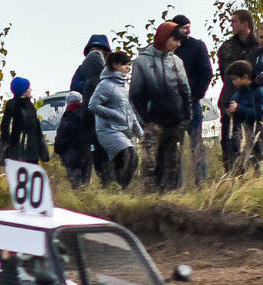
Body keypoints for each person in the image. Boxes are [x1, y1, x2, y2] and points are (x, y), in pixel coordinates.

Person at [130, 22, 191, 191]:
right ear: (165, 38)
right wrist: (146, 119)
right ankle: (147, 196)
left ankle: (169, 197)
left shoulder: (177, 61)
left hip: (176, 121)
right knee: (149, 163)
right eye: (175, 40)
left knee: (173, 164)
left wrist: (187, 116)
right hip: (154, 121)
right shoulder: (142, 61)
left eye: (180, 41)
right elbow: (135, 94)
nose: (178, 44)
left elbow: (185, 90)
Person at [169, 14, 213, 185]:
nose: (188, 31)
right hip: (172, 104)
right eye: (184, 27)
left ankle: (202, 181)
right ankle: (176, 185)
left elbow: (206, 72)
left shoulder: (197, 46)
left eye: (189, 27)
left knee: (196, 141)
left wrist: (197, 94)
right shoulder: (169, 47)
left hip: (191, 101)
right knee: (174, 144)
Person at [216, 11, 262, 168]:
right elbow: (224, 74)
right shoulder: (226, 47)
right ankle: (232, 175)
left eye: (234, 21)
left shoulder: (258, 47)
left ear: (245, 24)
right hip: (230, 98)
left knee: (254, 142)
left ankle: (257, 175)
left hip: (252, 102)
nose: (231, 25)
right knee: (229, 143)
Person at [88, 50, 140, 187]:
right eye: (125, 64)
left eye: (129, 65)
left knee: (126, 161)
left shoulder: (125, 85)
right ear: (115, 65)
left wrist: (139, 130)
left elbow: (129, 110)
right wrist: (114, 114)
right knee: (129, 155)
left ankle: (116, 189)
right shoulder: (105, 85)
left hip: (123, 130)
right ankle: (120, 188)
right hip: (108, 130)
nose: (128, 67)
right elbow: (93, 105)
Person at [218, 60, 263, 169]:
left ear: (245, 77)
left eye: (235, 79)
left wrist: (239, 109)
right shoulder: (236, 95)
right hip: (241, 140)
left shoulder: (260, 92)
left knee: (258, 168)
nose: (233, 82)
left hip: (258, 139)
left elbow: (262, 115)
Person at [54, 89, 99, 187]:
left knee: (75, 182)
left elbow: (62, 136)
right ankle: (87, 195)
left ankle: (77, 194)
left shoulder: (68, 117)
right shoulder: (89, 114)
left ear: (68, 102)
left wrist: (58, 150)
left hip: (73, 154)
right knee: (86, 182)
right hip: (88, 152)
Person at [0, 75, 47, 166]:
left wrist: (43, 152)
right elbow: (5, 128)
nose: (30, 90)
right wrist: (6, 150)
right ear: (23, 91)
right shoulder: (12, 105)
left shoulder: (30, 106)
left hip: (32, 153)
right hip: (16, 152)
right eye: (28, 88)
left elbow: (37, 130)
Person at [69, 32, 111, 101]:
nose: (95, 52)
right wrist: (92, 84)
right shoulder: (82, 68)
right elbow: (74, 86)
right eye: (92, 50)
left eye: (98, 49)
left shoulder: (111, 68)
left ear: (105, 52)